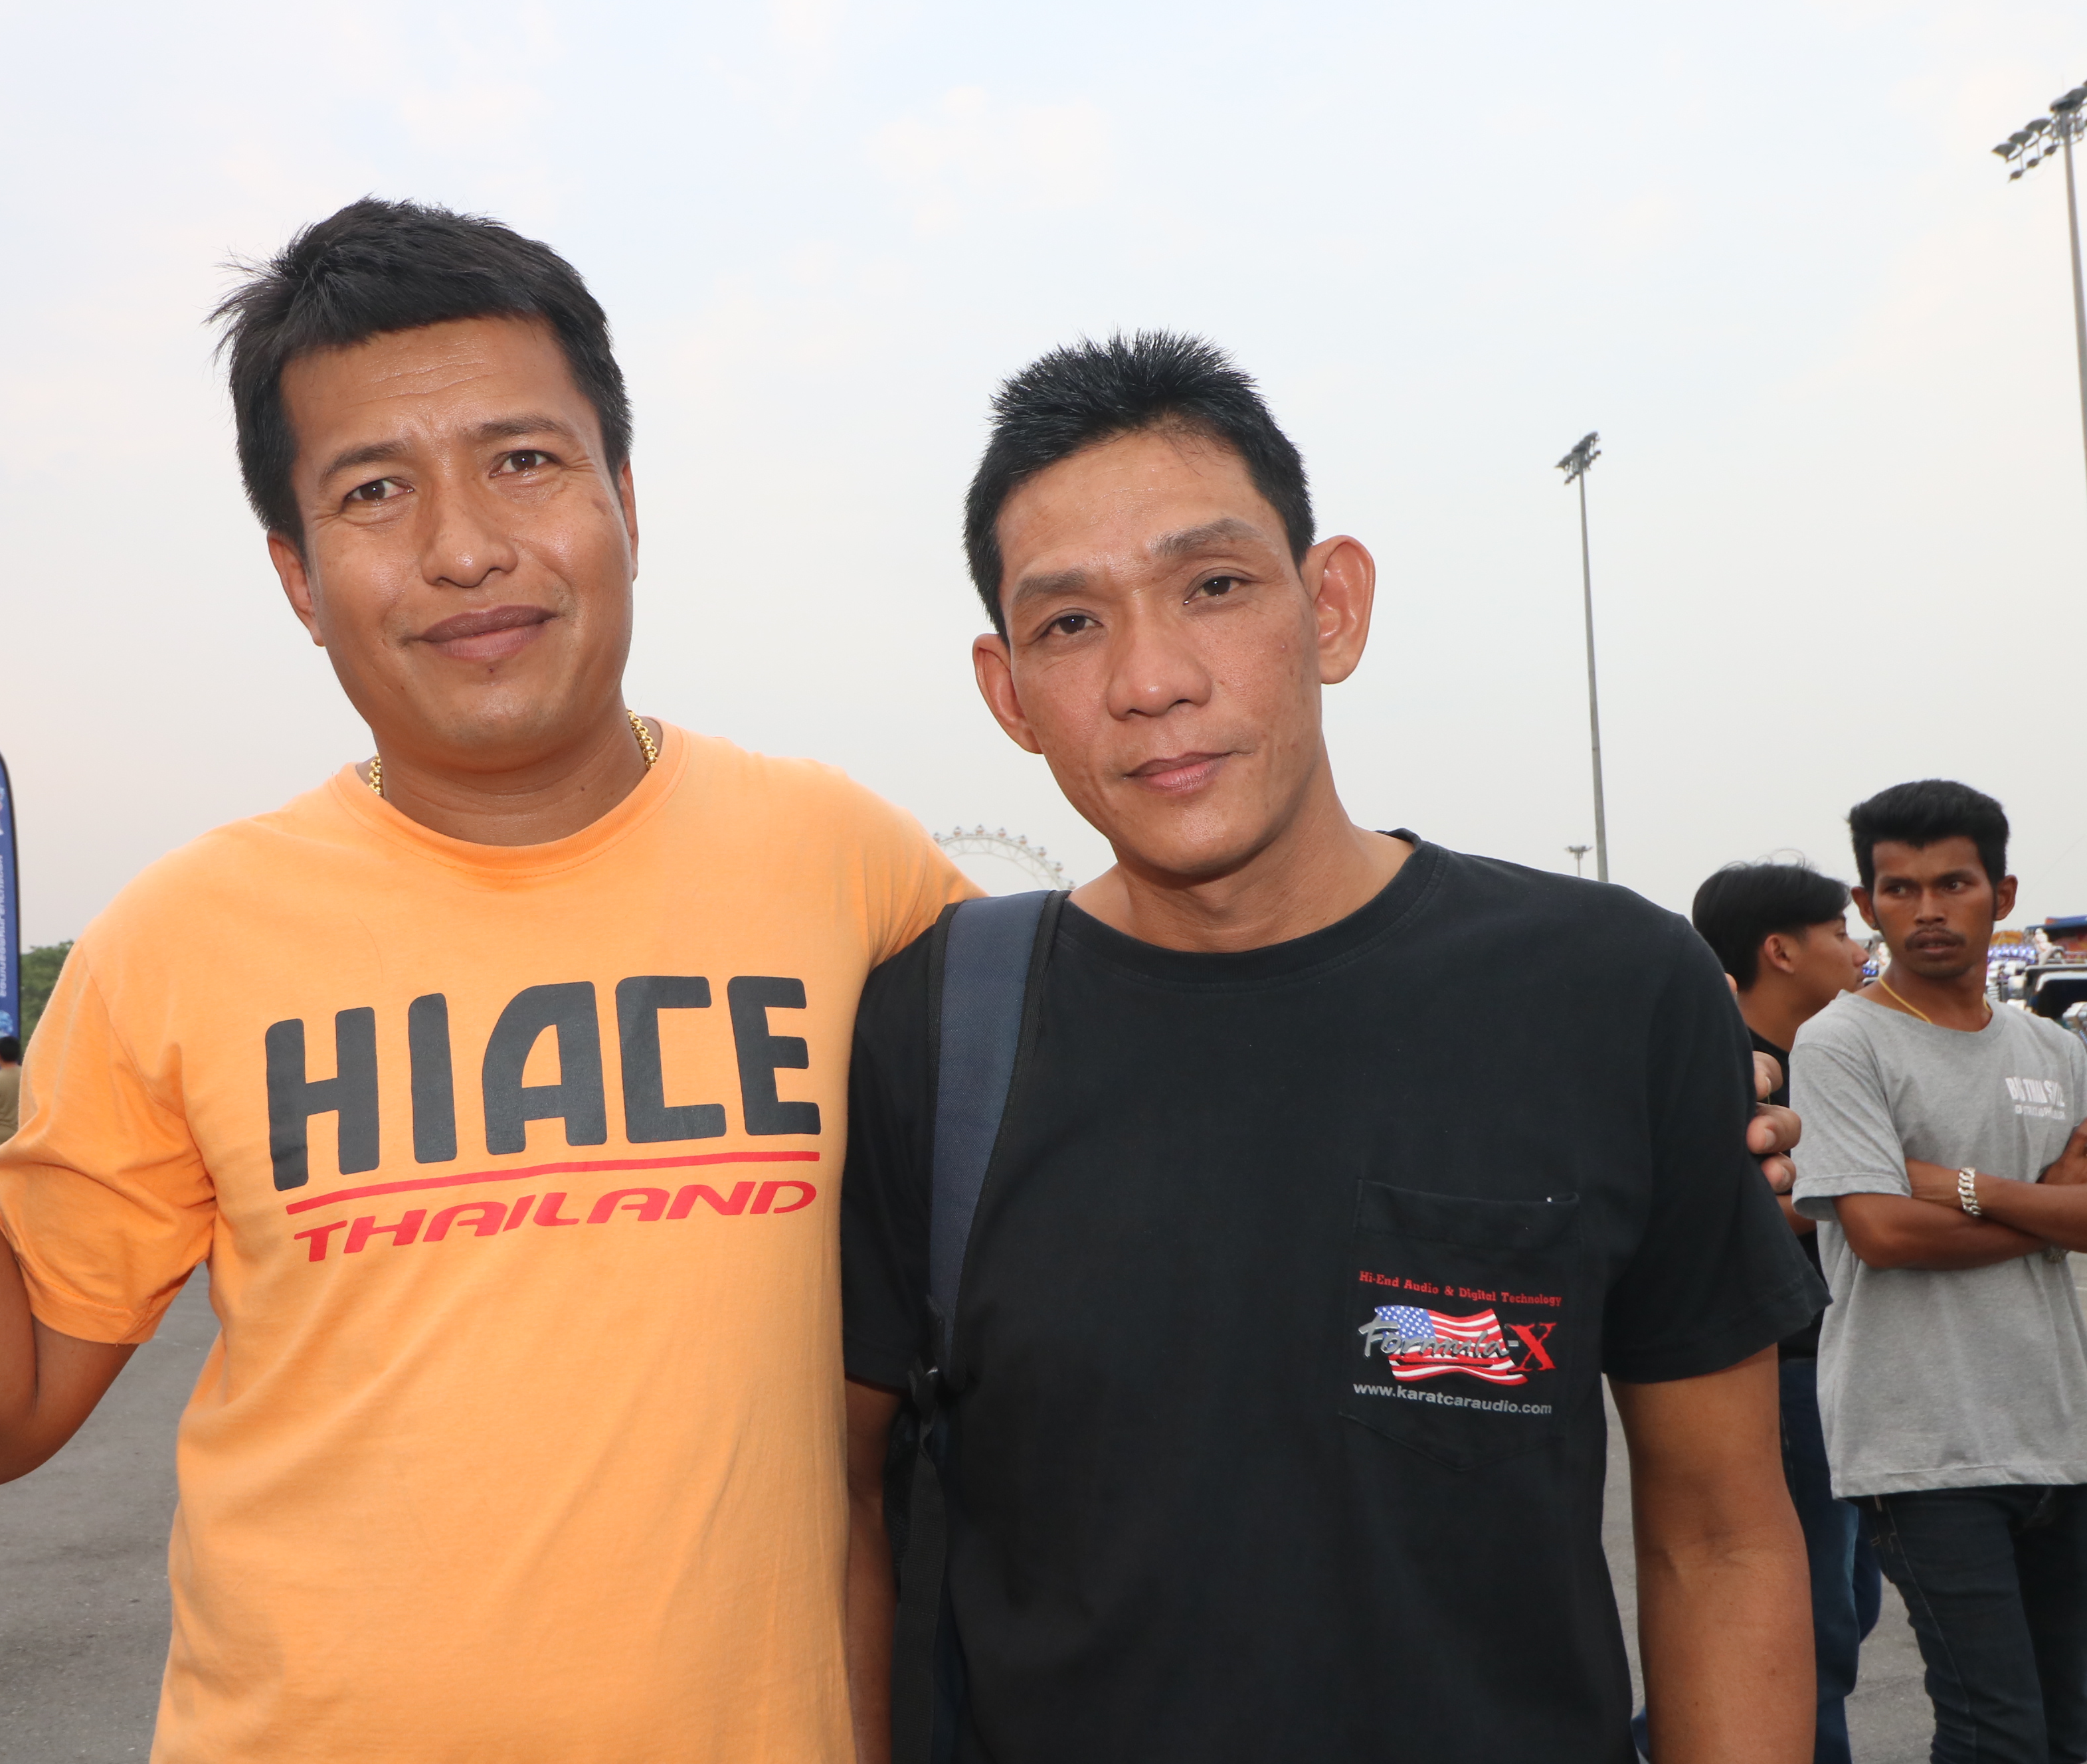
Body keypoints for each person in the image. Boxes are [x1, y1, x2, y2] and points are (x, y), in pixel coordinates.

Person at [0, 199, 969, 1760]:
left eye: (524, 459)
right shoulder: (186, 934)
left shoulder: (847, 867)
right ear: (296, 574)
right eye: (375, 490)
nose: (464, 546)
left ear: (626, 498)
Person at [838, 333, 1823, 1763]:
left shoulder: (1609, 990)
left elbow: (1719, 1534)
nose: (1151, 680)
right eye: (1070, 624)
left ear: (1333, 607)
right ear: (1008, 693)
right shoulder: (931, 1034)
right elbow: (841, 1517)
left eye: (1213, 586)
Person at [1791, 779, 2087, 1764]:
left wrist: (1954, 1185)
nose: (1926, 909)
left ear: (2002, 896)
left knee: (2069, 1729)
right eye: (1899, 888)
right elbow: (1881, 1233)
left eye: (1952, 884)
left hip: (2060, 1435)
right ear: (1868, 902)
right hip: (1920, 1445)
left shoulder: (2054, 1048)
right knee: (1996, 1730)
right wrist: (2040, 1210)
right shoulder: (1843, 1041)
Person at [1681, 862, 1876, 1763]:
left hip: (1849, 1365)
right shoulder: (1720, 1071)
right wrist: (1864, 1193)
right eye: (1839, 929)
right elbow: (1736, 1209)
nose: (1858, 946)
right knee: (1812, 1623)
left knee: (1853, 1604)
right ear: (1780, 950)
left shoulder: (1832, 1060)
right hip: (1783, 1367)